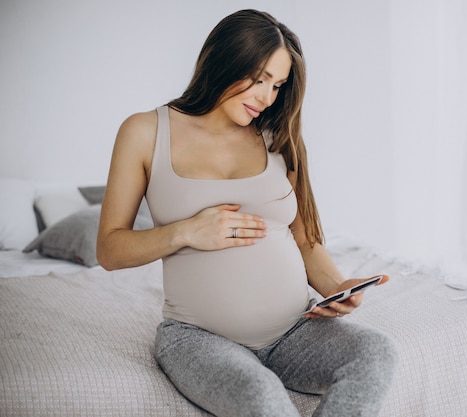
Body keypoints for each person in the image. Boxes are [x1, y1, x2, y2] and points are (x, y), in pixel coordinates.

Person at [97, 9, 397, 417]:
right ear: (223, 59)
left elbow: (305, 241)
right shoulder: (145, 131)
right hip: (199, 338)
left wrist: (337, 287)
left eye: (277, 85)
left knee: (377, 352)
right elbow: (110, 250)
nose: (267, 97)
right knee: (260, 393)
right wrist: (186, 231)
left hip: (295, 331)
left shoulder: (279, 135)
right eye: (259, 79)